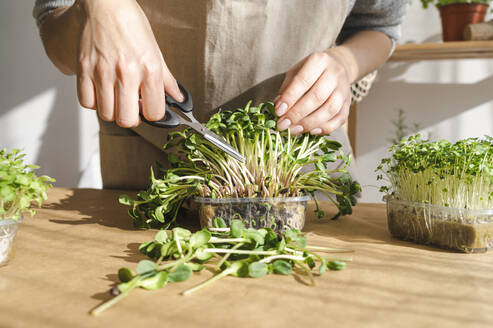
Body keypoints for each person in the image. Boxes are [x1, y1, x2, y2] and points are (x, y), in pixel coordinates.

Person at [33, 0, 409, 190]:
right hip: (148, 167)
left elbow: (379, 27)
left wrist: (344, 62)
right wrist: (95, 7)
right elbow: (57, 35)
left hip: (301, 169)